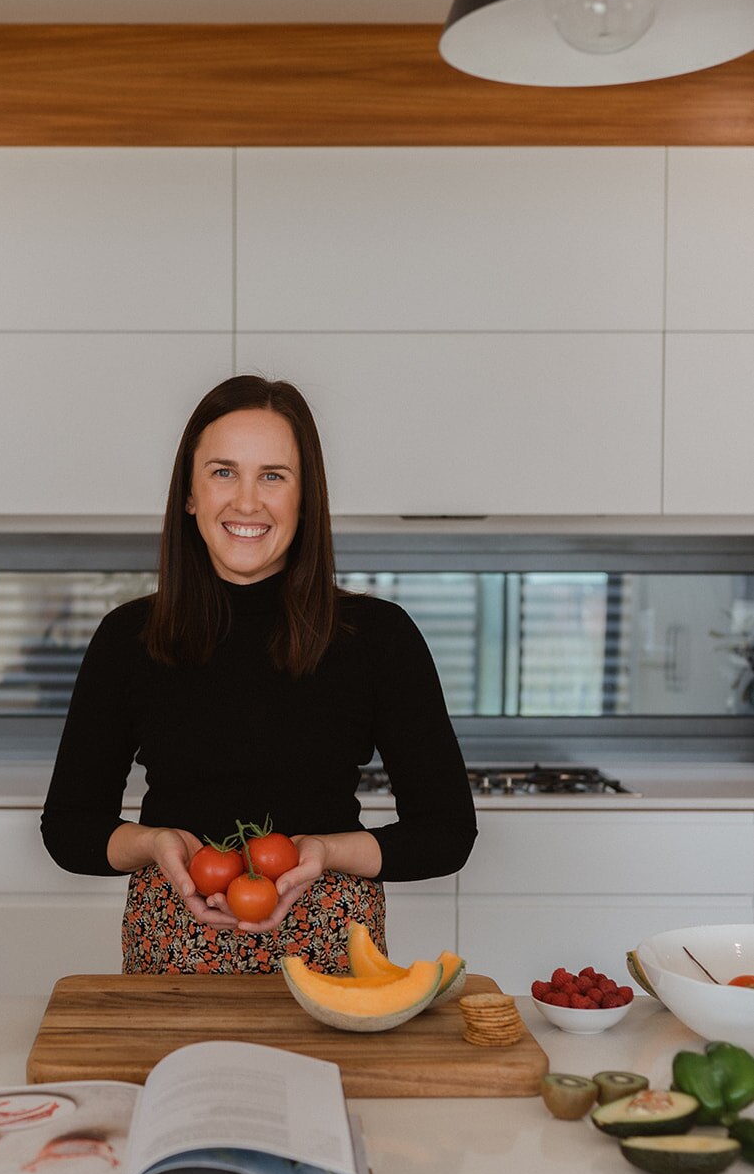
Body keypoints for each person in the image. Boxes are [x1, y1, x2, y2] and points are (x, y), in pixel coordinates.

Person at [41, 374, 477, 974]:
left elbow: (447, 831)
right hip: (172, 947)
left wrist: (322, 852)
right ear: (189, 495)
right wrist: (154, 845)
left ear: (305, 497)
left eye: (273, 475)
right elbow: (68, 828)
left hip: (330, 949)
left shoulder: (378, 636)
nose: (247, 501)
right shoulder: (128, 638)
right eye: (224, 472)